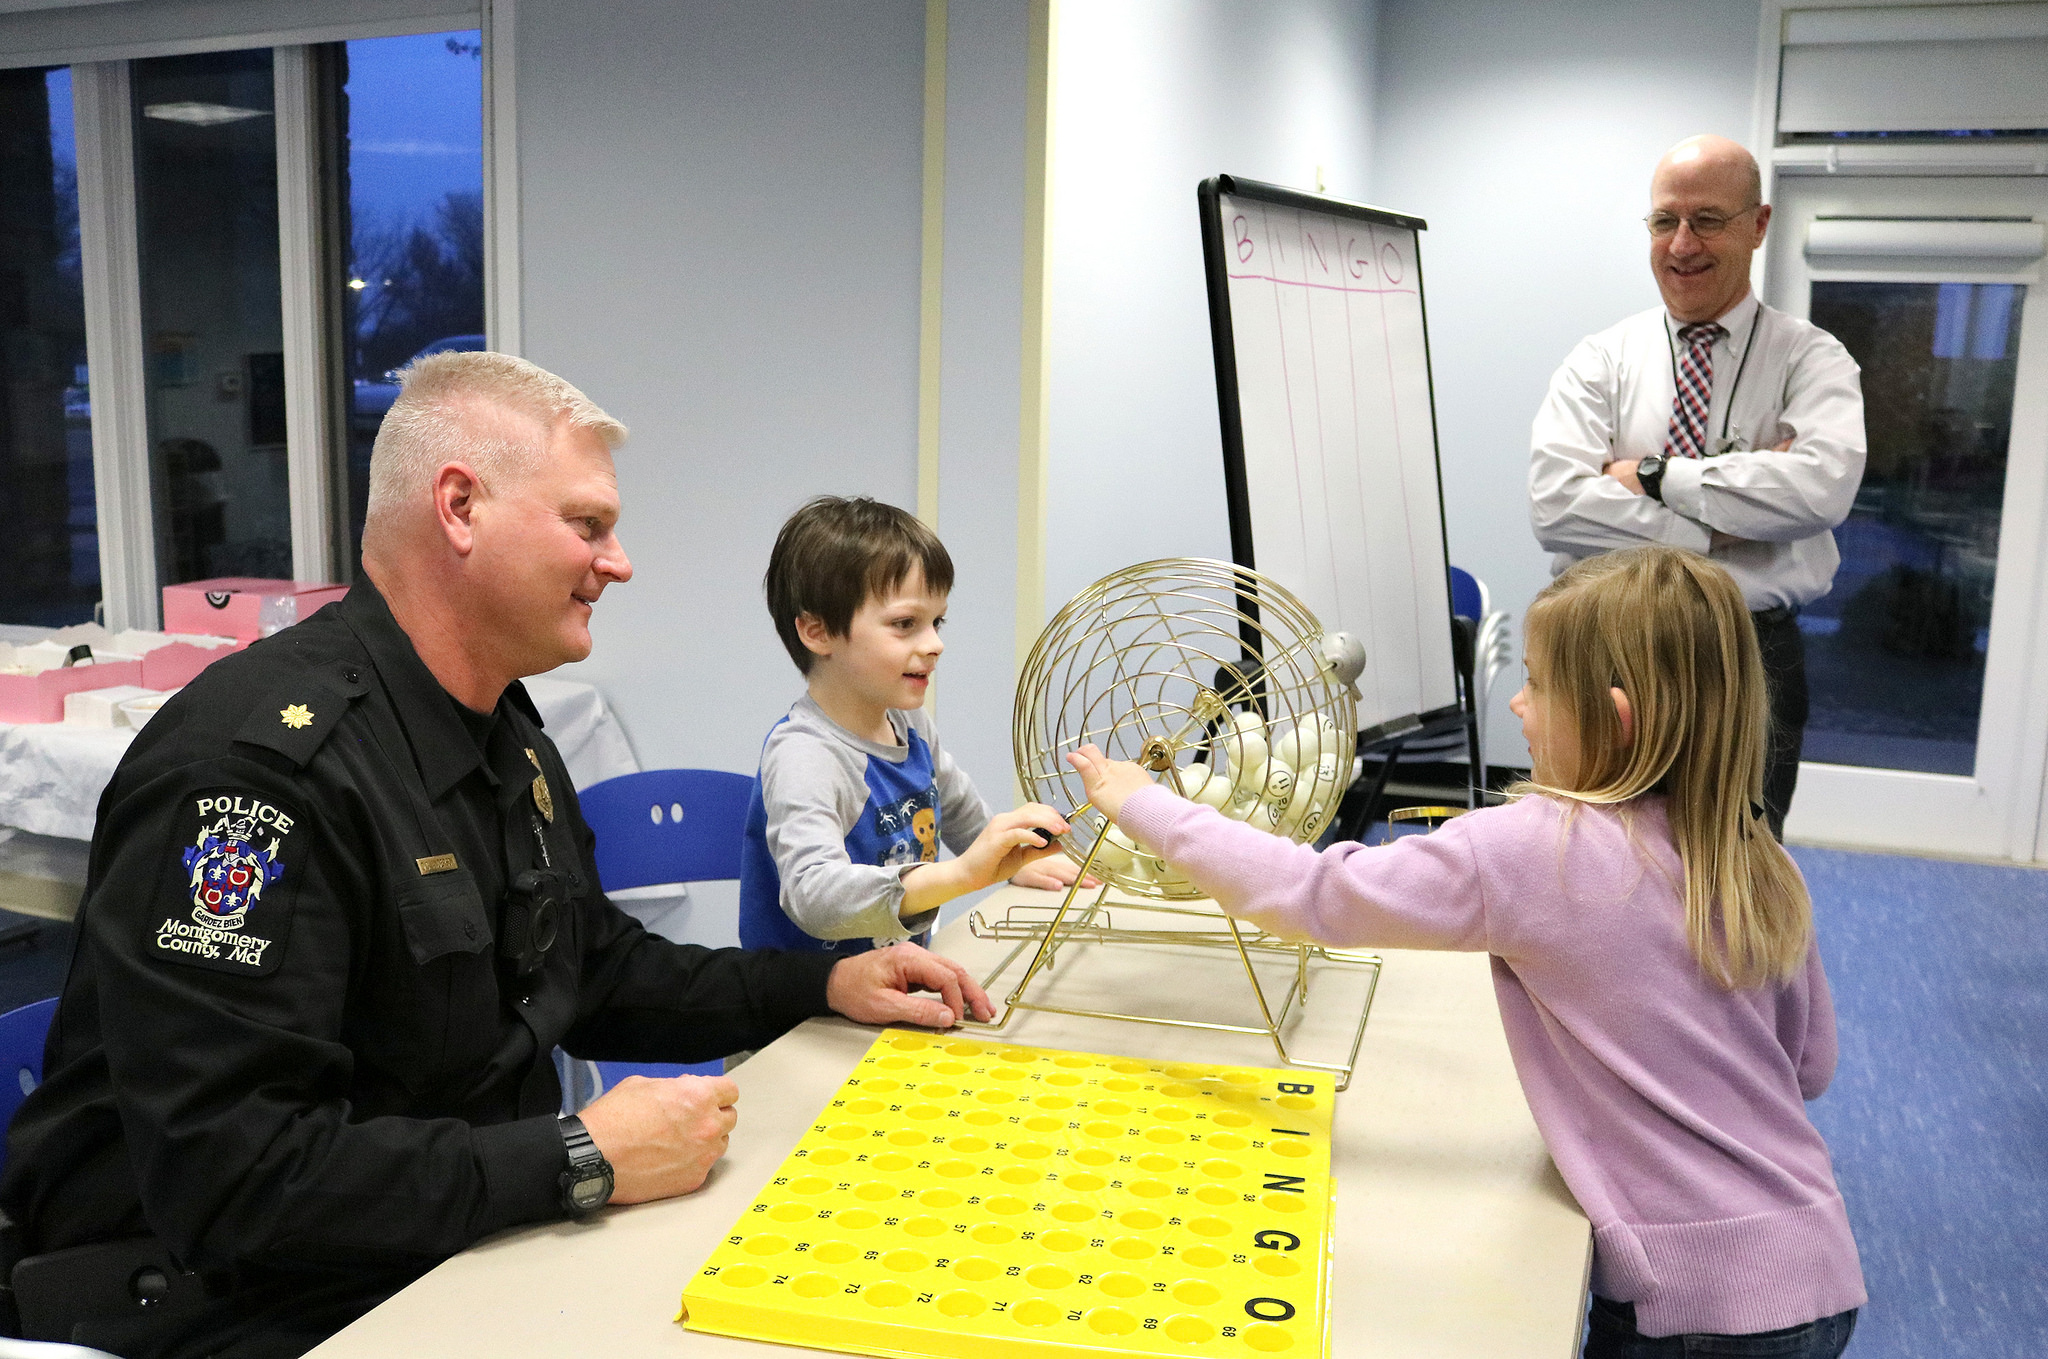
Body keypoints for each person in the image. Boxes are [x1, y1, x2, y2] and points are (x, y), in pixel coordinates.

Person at [0, 353, 994, 1359]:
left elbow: (595, 969)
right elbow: (238, 1183)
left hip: (440, 1246)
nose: (620, 563)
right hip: (225, 1300)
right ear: (461, 508)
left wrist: (826, 982)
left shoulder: (502, 727)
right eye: (588, 526)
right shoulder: (258, 776)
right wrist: (577, 1157)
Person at [1069, 545, 1865, 1358]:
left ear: (1616, 718)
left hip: (1688, 1306)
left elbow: (1313, 895)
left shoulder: (1536, 851)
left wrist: (1149, 808)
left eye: (1539, 683)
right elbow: (1809, 1066)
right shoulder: (1755, 850)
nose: (1517, 703)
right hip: (1818, 1264)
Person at [1528, 133, 1866, 838]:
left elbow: (1820, 491)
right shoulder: (1601, 361)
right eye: (1664, 221)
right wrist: (1717, 525)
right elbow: (1557, 506)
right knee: (1589, 857)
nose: (1682, 244)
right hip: (1607, 646)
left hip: (1749, 653)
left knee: (1736, 875)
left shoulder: (1812, 360)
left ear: (1758, 225)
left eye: (1707, 219)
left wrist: (1654, 477)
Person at [739, 496, 1080, 953]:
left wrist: (1010, 858)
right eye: (905, 623)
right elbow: (812, 894)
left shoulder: (909, 721)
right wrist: (960, 875)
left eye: (937, 621)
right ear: (817, 632)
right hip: (812, 1009)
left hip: (897, 978)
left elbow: (957, 808)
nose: (935, 643)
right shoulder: (805, 755)